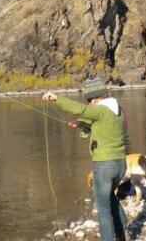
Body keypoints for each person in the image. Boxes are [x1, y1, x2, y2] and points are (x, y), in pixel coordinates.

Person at [42, 78, 128, 241]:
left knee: (103, 210)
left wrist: (56, 98)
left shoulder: (101, 110)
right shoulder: (117, 111)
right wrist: (81, 125)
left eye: (89, 100)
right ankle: (124, 232)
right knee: (110, 197)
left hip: (104, 166)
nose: (89, 103)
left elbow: (80, 110)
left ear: (95, 98)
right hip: (120, 164)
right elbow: (100, 125)